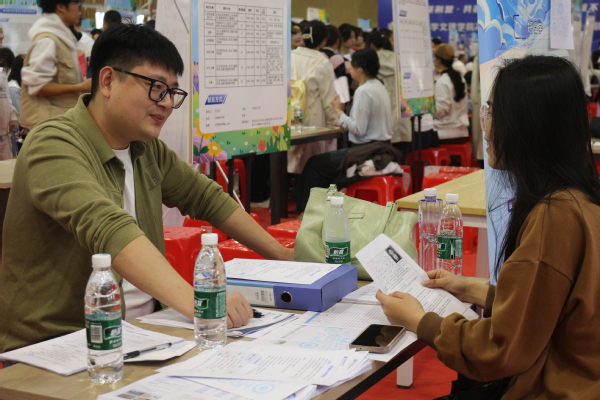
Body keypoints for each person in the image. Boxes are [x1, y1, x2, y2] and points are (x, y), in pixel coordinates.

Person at [0, 23, 294, 353]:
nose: (166, 103)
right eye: (156, 88)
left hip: (148, 332)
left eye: (172, 92)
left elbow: (206, 198)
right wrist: (199, 301)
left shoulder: (144, 147)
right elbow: (108, 228)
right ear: (108, 81)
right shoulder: (53, 143)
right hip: (63, 343)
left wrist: (285, 256)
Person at [377, 55, 600, 399]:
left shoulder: (555, 216)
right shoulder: (578, 200)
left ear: (526, 125)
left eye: (492, 112)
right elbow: (545, 307)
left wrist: (419, 321)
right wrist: (472, 289)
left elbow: (501, 349)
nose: (485, 125)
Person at [20, 0, 91, 130]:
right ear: (61, 7)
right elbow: (38, 87)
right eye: (76, 4)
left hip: (60, 122)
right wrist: (79, 87)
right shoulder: (47, 41)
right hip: (49, 126)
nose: (80, 9)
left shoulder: (61, 37)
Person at [288, 20, 337, 175]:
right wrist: (334, 126)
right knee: (311, 164)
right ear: (323, 41)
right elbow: (329, 100)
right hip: (313, 118)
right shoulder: (322, 62)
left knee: (288, 160)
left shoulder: (289, 56)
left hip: (289, 113)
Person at [331, 48, 392, 146]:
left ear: (360, 69)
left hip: (367, 148)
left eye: (352, 64)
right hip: (382, 145)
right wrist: (345, 123)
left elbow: (358, 129)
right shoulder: (379, 85)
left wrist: (338, 111)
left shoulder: (364, 90)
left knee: (322, 157)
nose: (349, 68)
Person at [369, 29, 411, 163]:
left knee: (382, 161)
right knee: (401, 158)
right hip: (402, 114)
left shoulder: (371, 60)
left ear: (372, 45)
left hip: (381, 116)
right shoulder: (400, 59)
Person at [432, 44, 469, 146]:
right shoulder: (460, 77)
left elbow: (440, 111)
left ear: (438, 60)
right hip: (462, 131)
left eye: (435, 57)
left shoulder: (442, 81)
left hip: (445, 131)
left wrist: (428, 111)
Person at [0, 47, 18, 159]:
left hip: (3, 135)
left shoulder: (2, 74)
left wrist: (12, 117)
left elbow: (7, 100)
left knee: (6, 166)